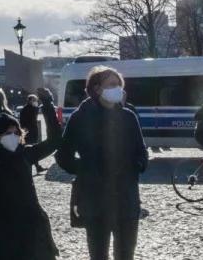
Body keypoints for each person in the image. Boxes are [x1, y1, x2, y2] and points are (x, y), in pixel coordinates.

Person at [57, 66, 147, 260]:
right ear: (97, 89)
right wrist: (85, 170)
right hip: (95, 200)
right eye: (113, 85)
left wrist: (137, 166)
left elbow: (142, 151)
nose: (119, 89)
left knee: (125, 255)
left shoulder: (128, 116)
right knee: (98, 255)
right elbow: (63, 155)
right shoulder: (79, 117)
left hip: (126, 199)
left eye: (120, 85)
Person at [0, 96, 63, 260]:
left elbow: (54, 141)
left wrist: (47, 105)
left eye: (15, 132)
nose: (12, 136)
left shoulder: (25, 154)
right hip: (6, 237)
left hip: (34, 228)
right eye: (7, 133)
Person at [19, 93, 46, 174]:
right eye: (34, 100)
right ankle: (34, 167)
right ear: (30, 100)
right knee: (31, 149)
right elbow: (23, 121)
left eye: (36, 100)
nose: (36, 102)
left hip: (31, 131)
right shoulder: (28, 109)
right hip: (29, 131)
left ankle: (37, 167)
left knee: (32, 149)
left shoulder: (29, 108)